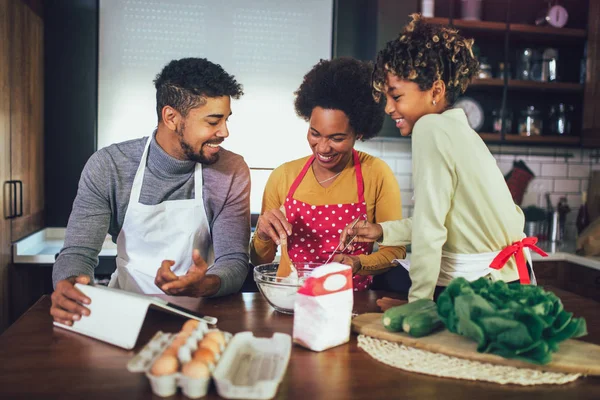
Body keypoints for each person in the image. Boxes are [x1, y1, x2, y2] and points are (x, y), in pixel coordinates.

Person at [341, 14, 545, 302]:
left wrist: (418, 304)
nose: (388, 108)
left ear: (435, 90)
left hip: (477, 291)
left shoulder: (430, 128)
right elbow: (443, 218)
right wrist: (381, 231)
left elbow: (430, 230)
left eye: (396, 96)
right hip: (507, 282)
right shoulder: (460, 131)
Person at [51, 58, 251, 326]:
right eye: (213, 121)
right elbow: (77, 253)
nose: (224, 132)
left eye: (226, 119)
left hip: (202, 319)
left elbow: (234, 261)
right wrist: (71, 285)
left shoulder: (231, 170)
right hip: (124, 315)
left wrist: (206, 283)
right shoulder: (110, 166)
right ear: (171, 117)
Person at [250, 57, 406, 291]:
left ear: (359, 133)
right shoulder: (284, 176)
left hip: (353, 299)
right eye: (315, 133)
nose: (322, 148)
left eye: (337, 138)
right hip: (291, 296)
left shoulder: (376, 174)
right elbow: (260, 260)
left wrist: (356, 263)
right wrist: (262, 234)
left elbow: (394, 251)